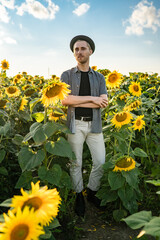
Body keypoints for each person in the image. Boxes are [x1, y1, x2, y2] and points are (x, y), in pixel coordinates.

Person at [60, 35, 108, 217]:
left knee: (100, 162)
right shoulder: (67, 75)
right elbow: (65, 100)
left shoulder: (100, 77)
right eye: (76, 50)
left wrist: (78, 101)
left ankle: (92, 191)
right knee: (75, 163)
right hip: (75, 125)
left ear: (90, 51)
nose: (79, 52)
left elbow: (103, 102)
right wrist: (92, 98)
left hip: (94, 126)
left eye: (82, 48)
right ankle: (79, 194)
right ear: (74, 54)